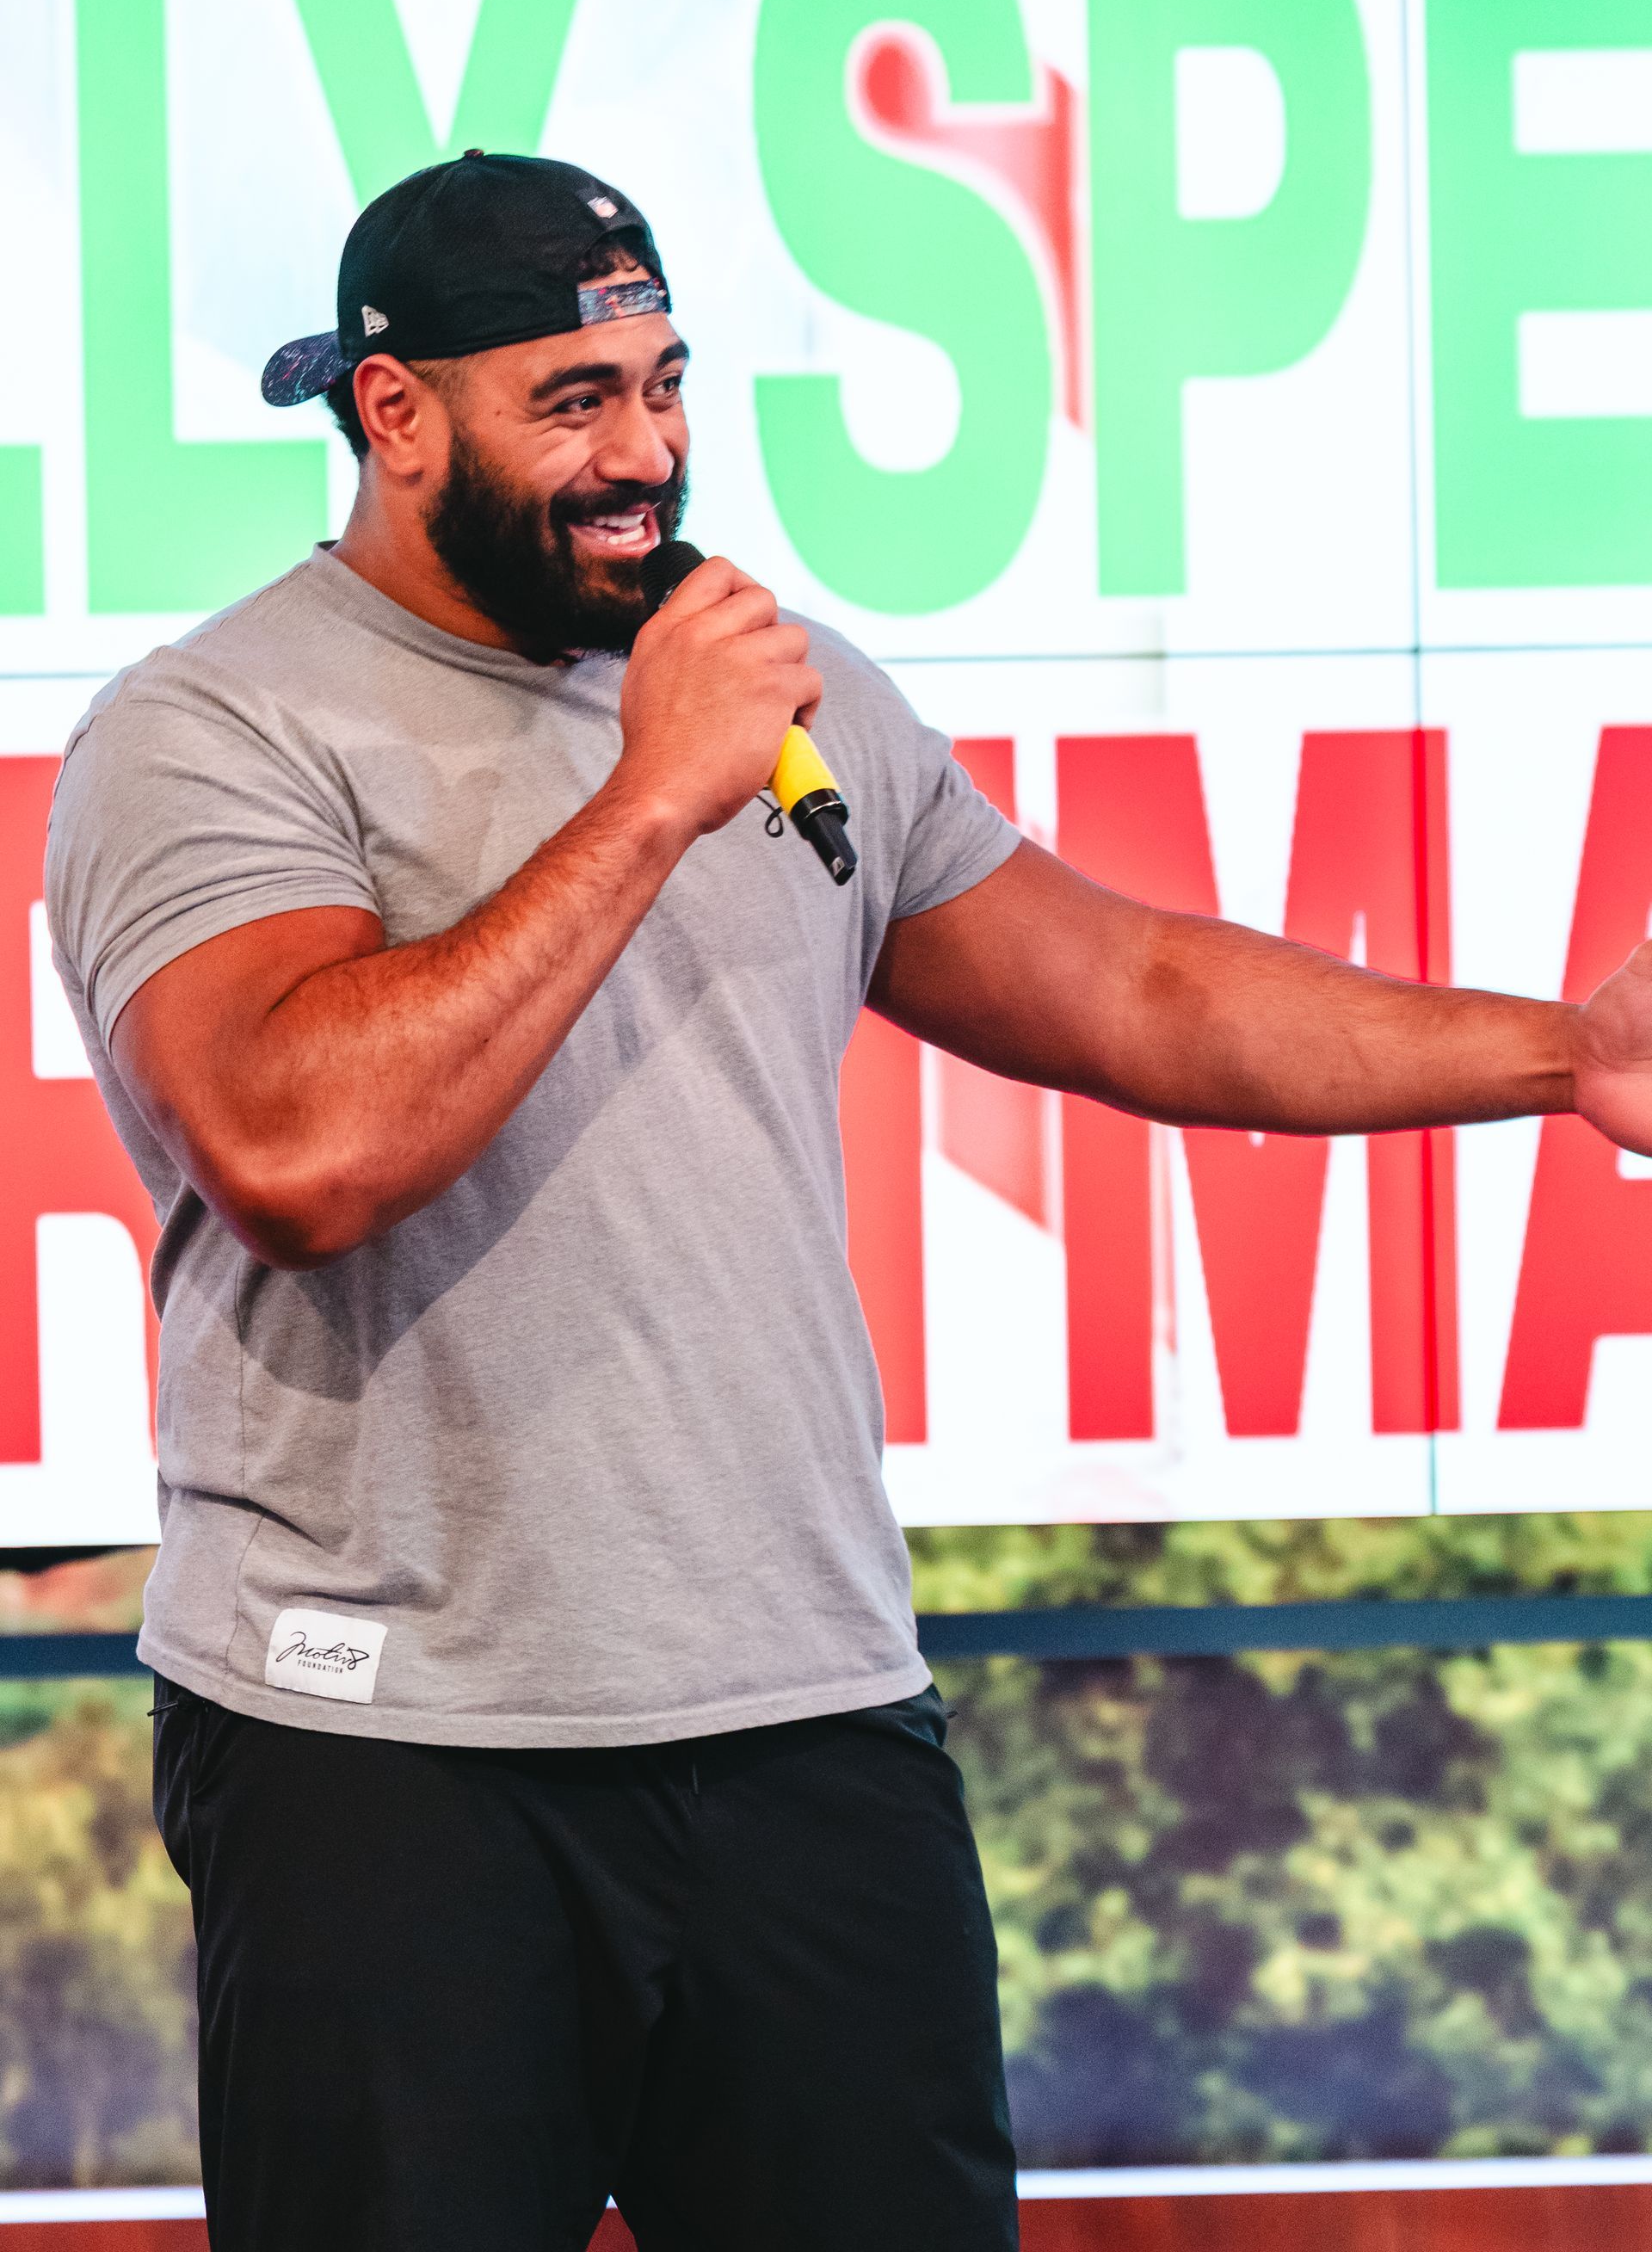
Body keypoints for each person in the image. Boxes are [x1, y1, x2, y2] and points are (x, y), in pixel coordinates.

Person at [42, 151, 1652, 2252]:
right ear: (395, 414)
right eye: (573, 402)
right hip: (389, 1745)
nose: (646, 455)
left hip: (803, 1713)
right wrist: (653, 791)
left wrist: (1564, 1055)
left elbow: (1132, 986)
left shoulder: (786, 695)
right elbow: (295, 1152)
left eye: (664, 384)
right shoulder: (217, 727)